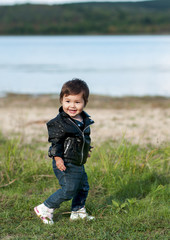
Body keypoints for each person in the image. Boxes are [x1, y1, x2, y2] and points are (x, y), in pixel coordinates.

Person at [34, 78, 95, 224]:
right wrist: (57, 158)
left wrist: (86, 150)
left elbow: (83, 139)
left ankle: (78, 211)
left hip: (78, 161)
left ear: (85, 102)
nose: (72, 106)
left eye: (77, 102)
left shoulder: (84, 120)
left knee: (83, 187)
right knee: (69, 189)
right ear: (61, 100)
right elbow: (56, 143)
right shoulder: (60, 123)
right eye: (68, 101)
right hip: (64, 161)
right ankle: (45, 207)